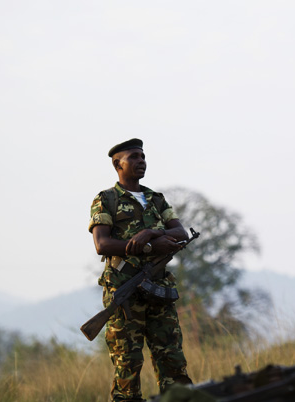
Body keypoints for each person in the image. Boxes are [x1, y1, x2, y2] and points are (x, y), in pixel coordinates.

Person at [89, 138, 193, 402]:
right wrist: (148, 248)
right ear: (117, 164)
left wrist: (150, 232)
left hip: (159, 291)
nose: (141, 161)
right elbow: (102, 244)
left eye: (143, 156)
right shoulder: (106, 200)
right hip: (125, 293)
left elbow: (179, 232)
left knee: (173, 362)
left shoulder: (155, 199)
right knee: (128, 367)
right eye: (134, 157)